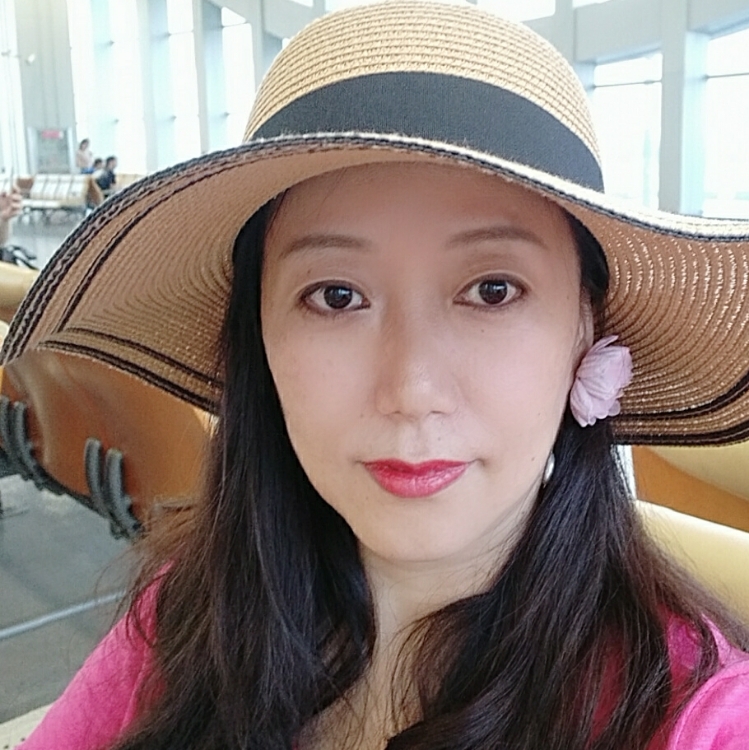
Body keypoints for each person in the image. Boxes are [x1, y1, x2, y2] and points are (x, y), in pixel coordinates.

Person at [8, 2, 749, 749]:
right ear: (258, 332)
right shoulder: (186, 620)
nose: (411, 391)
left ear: (585, 324)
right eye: (336, 296)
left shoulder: (695, 720)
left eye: (492, 290)